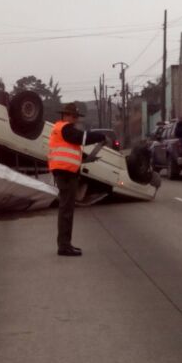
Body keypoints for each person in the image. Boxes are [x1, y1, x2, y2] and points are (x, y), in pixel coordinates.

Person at [48, 102, 106, 257]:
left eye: (76, 117)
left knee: (67, 209)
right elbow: (81, 138)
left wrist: (86, 157)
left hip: (66, 173)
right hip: (65, 174)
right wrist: (100, 136)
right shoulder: (65, 128)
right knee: (66, 210)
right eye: (73, 116)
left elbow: (71, 148)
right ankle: (64, 246)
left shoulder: (61, 129)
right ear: (66, 115)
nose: (75, 119)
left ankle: (65, 244)